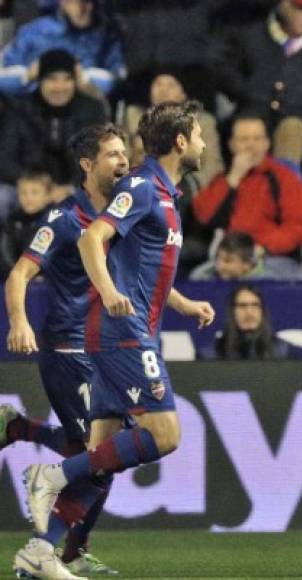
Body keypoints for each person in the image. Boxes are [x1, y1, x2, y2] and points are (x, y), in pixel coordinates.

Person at [20, 102, 216, 576]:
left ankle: (39, 552)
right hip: (124, 335)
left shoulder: (166, 192)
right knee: (164, 434)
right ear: (182, 142)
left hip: (120, 333)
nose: (207, 143)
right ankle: (51, 474)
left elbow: (145, 269)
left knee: (100, 460)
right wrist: (107, 293)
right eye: (200, 134)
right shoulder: (143, 186)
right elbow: (92, 241)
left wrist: (184, 304)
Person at [4, 123, 129, 579]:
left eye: (124, 152)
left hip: (109, 349)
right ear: (87, 164)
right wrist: (19, 320)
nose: (123, 161)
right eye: (113, 154)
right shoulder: (62, 219)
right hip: (68, 347)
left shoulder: (124, 213)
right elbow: (19, 274)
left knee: (99, 455)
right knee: (106, 452)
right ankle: (51, 552)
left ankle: (21, 429)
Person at [192, 114, 302, 281]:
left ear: (266, 144)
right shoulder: (223, 179)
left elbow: (297, 227)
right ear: (232, 145)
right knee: (198, 278)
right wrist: (233, 178)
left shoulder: (285, 179)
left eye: (257, 139)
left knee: (253, 280)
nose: (251, 145)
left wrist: (256, 250)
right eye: (244, 139)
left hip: (273, 258)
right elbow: (204, 216)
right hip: (230, 259)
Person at [213, 0, 302, 164]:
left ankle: (283, 186)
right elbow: (224, 68)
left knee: (292, 128)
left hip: (296, 118)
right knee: (247, 131)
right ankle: (236, 187)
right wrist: (247, 93)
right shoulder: (253, 34)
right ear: (284, 6)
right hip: (252, 112)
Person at [7, 48, 108, 191]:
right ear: (40, 81)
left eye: (67, 79)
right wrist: (36, 185)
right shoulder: (21, 108)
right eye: (52, 79)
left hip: (79, 188)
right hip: (28, 188)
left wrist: (70, 188)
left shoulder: (91, 109)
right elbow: (5, 157)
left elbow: (100, 158)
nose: (60, 87)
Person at [0, 0, 124, 97]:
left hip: (84, 110)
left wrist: (84, 79)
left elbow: (116, 80)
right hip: (31, 110)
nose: (87, 8)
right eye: (79, 2)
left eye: (90, 2)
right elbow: (3, 77)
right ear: (63, 2)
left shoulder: (106, 36)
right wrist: (28, 76)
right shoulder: (33, 31)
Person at [212, 284, 296, 360]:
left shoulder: (282, 351)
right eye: (242, 305)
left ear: (262, 311)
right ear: (232, 312)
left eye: (255, 305)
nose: (249, 312)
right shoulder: (214, 352)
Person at [0, 168, 52, 278]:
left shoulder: (55, 220)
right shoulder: (14, 220)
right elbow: (7, 251)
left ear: (48, 196)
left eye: (35, 192)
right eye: (23, 193)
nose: (29, 197)